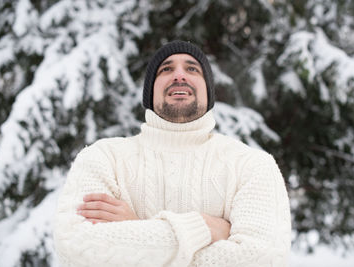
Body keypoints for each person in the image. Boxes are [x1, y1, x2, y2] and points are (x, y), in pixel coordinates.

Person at [53, 40, 291, 267]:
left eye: (192, 69)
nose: (179, 75)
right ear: (149, 93)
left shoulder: (250, 165)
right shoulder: (105, 158)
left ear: (208, 92)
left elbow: (262, 259)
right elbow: (75, 249)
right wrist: (206, 228)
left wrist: (135, 228)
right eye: (166, 69)